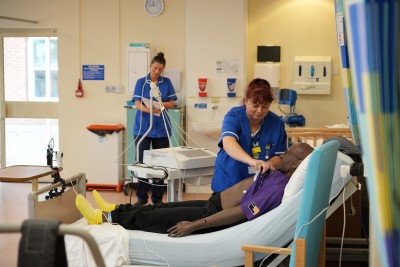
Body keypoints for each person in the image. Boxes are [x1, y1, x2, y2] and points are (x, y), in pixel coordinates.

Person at [76, 143, 314, 237]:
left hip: (212, 217)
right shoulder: (279, 172)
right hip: (214, 203)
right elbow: (274, 163)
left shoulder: (279, 186)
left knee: (155, 217)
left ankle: (104, 217)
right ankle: (116, 208)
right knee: (161, 207)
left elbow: (241, 212)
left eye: (288, 154)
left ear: (295, 164)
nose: (282, 155)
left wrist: (196, 225)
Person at [211, 78, 287, 193]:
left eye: (265, 106)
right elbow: (228, 143)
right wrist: (252, 161)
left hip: (257, 183)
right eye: (255, 105)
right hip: (230, 178)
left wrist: (269, 164)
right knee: (222, 209)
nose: (259, 111)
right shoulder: (235, 116)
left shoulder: (276, 123)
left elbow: (279, 156)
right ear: (246, 101)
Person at [132, 52, 177, 206]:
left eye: (160, 69)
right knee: (143, 164)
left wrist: (160, 106)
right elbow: (137, 104)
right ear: (150, 66)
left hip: (162, 129)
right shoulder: (141, 82)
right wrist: (151, 110)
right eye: (155, 68)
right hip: (143, 129)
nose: (157, 72)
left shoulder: (166, 82)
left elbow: (172, 103)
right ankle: (141, 198)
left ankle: (157, 199)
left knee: (161, 166)